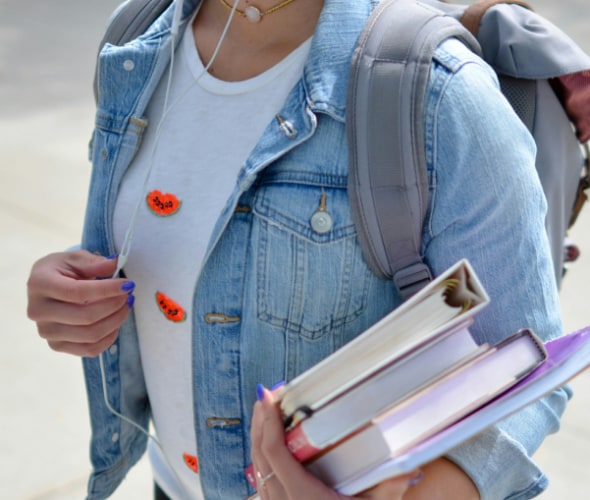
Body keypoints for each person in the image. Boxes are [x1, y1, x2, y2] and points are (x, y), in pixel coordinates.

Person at [26, 0, 570, 499]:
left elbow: (524, 366)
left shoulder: (438, 93)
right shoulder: (135, 40)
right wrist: (74, 291)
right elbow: (188, 237)